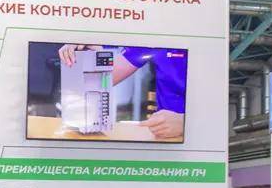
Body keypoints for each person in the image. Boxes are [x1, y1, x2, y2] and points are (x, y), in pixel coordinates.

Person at [58, 44, 187, 140]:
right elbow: (103, 79)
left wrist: (184, 123)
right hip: (164, 139)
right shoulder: (155, 38)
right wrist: (80, 54)